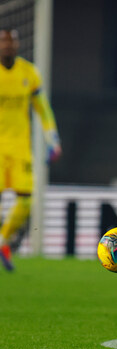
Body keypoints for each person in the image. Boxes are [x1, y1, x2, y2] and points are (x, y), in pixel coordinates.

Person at [0, 28, 61, 271]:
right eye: (3, 40)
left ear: (18, 44)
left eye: (11, 40)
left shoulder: (29, 72)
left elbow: (43, 108)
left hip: (20, 149)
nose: (8, 44)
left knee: (25, 202)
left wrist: (53, 140)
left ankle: (3, 240)